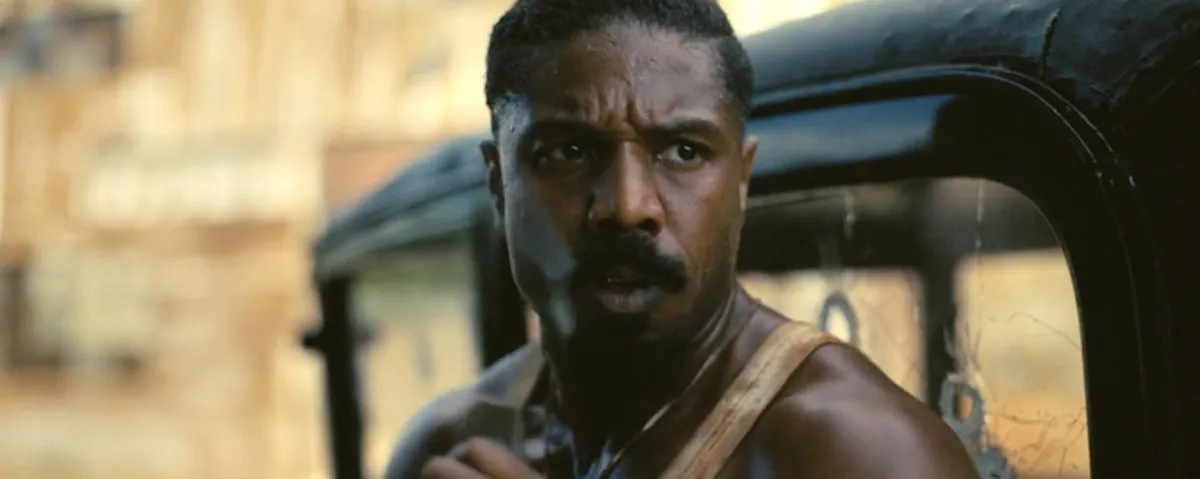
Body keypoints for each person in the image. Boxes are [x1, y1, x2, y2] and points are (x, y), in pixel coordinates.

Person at [388, 0, 980, 477]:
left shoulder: (860, 452)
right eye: (568, 152)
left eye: (683, 151)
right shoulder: (450, 443)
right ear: (498, 183)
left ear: (742, 181)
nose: (627, 207)